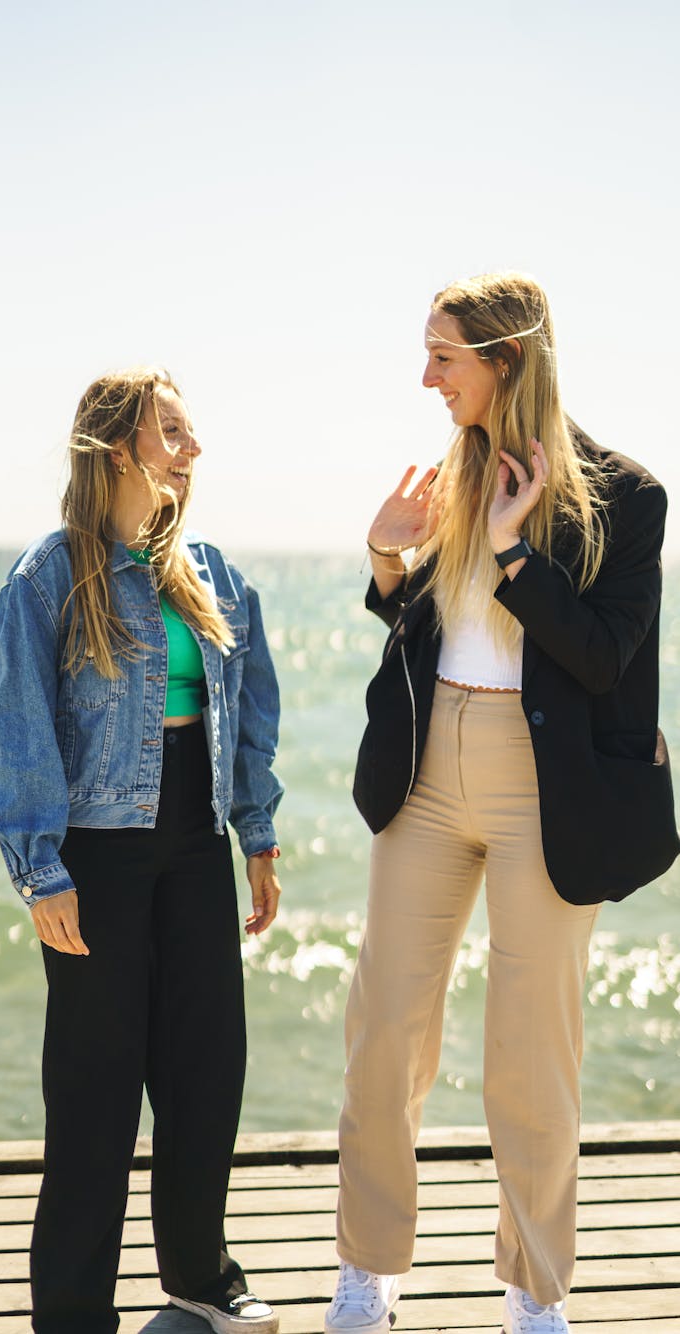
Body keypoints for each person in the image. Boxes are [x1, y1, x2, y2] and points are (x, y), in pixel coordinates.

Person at [324, 273, 679, 1334]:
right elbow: (418, 625)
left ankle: (534, 1284)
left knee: (533, 1051)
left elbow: (608, 655)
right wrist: (388, 560)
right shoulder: (451, 476)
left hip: (547, 786)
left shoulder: (627, 495)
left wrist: (521, 551)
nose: (427, 377)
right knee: (385, 1025)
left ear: (507, 359)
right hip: (431, 766)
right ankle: (369, 1265)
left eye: (446, 357)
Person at [0, 366, 284, 1334]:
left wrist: (259, 833)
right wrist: (39, 869)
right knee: (94, 1084)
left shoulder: (215, 571)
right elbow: (20, 726)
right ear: (120, 446)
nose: (193, 450)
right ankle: (73, 1309)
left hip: (195, 842)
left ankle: (201, 1273)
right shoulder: (47, 575)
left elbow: (251, 713)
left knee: (206, 1067)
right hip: (97, 854)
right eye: (174, 431)